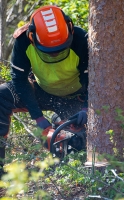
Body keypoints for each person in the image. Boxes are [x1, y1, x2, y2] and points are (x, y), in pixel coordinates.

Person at [0, 5, 88, 177]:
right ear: (33, 37)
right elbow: (19, 78)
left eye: (60, 49)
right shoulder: (23, 40)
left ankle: (59, 121)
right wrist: (38, 117)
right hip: (40, 92)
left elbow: (93, 77)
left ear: (69, 30)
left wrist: (86, 106)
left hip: (75, 98)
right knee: (1, 96)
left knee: (74, 142)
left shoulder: (81, 39)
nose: (54, 55)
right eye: (49, 52)